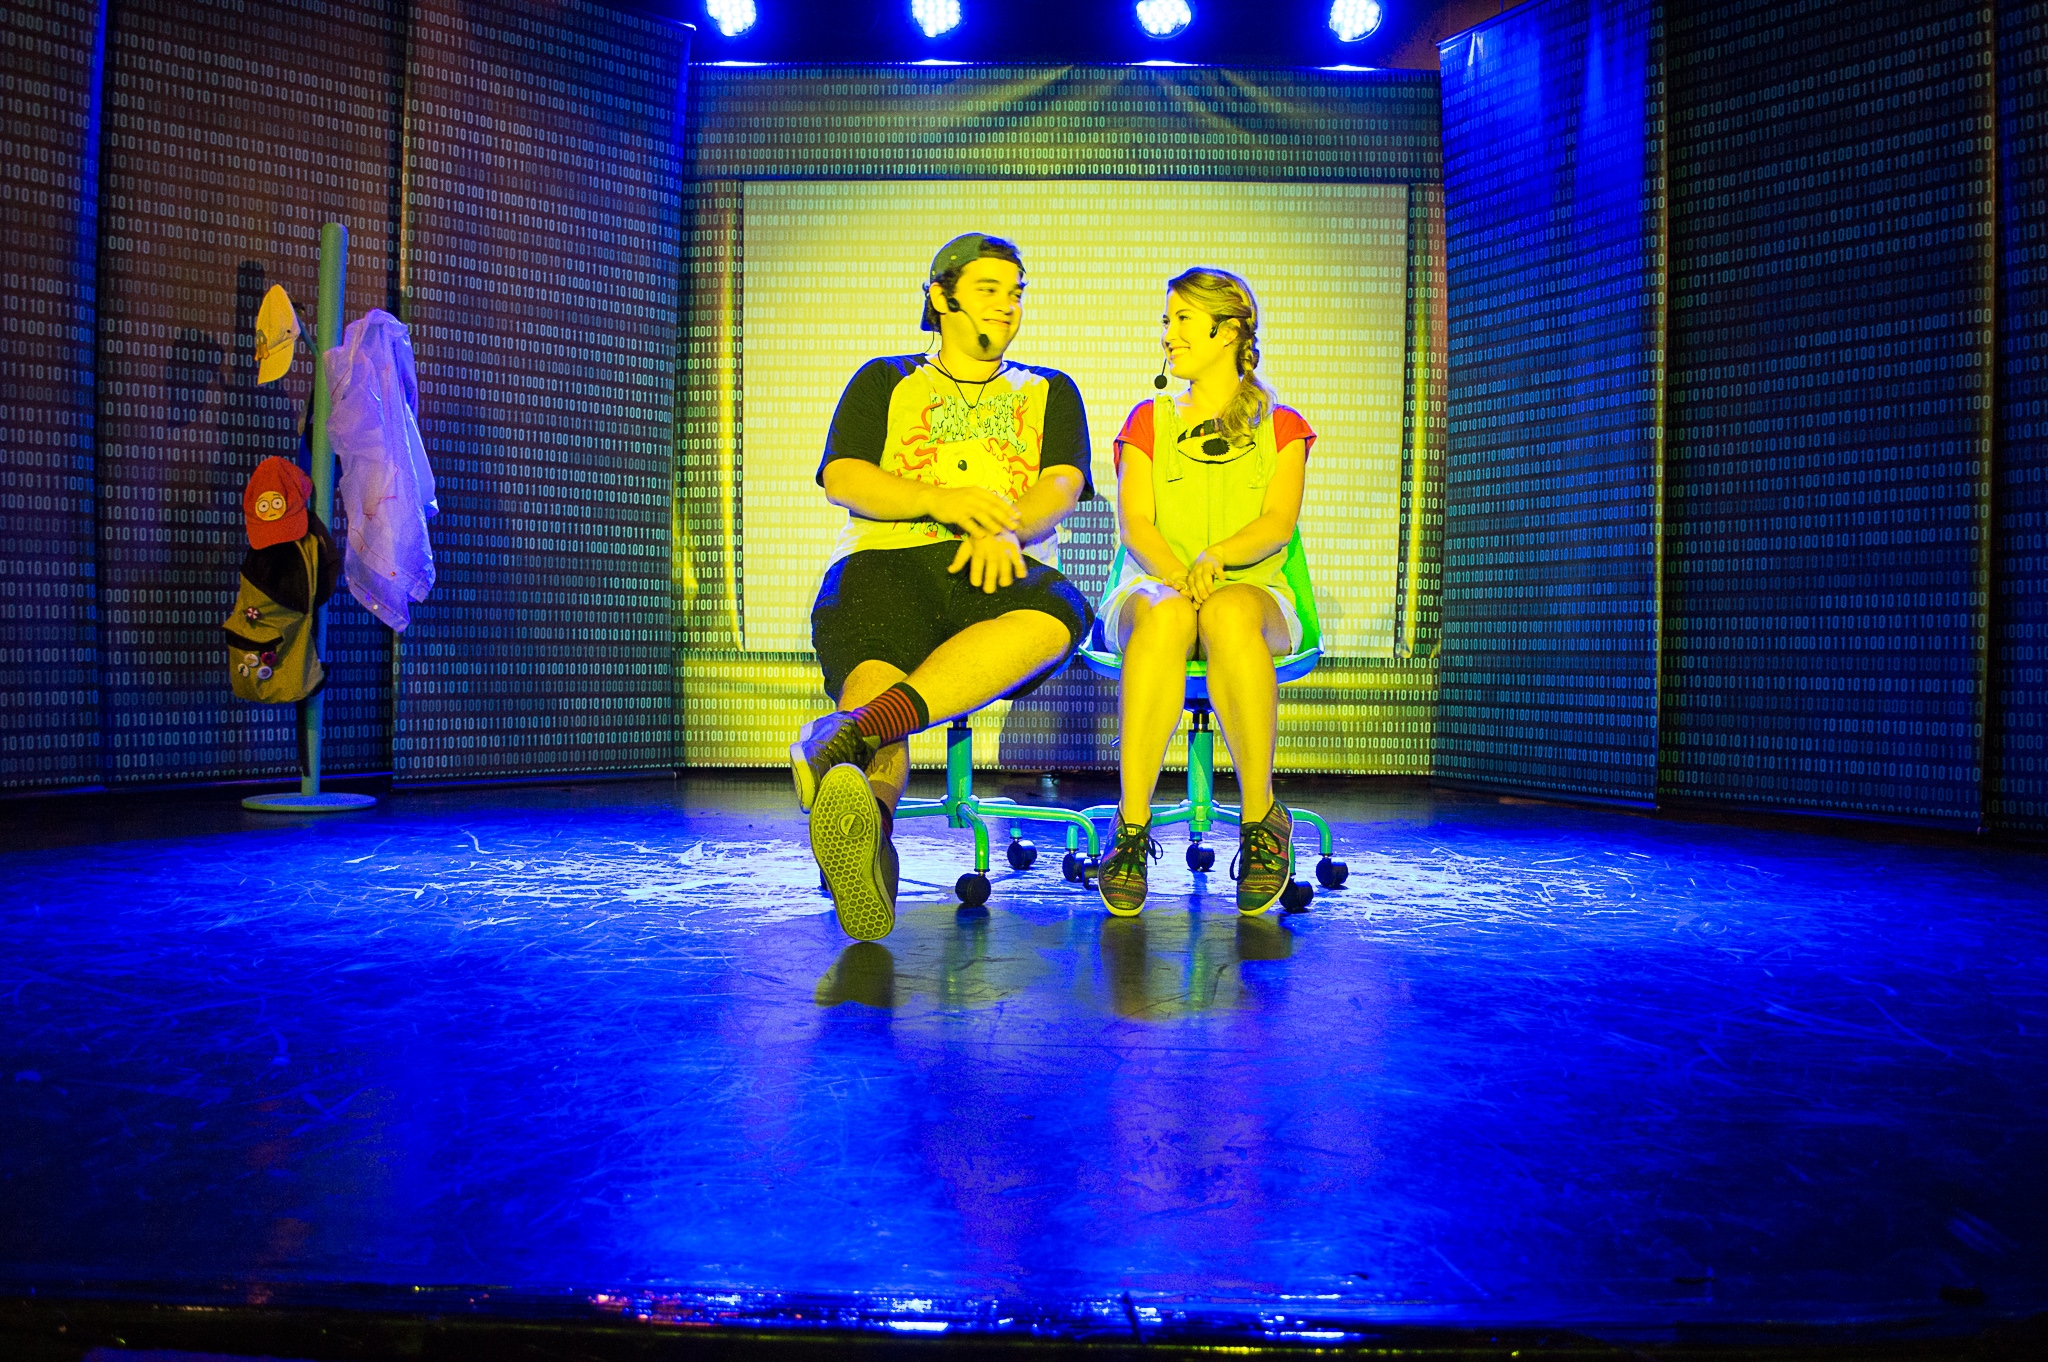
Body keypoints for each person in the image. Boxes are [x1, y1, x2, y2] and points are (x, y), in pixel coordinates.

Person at [791, 233, 1095, 942]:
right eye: (989, 288)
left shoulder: (1049, 389)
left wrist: (1004, 528)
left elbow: (1062, 482)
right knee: (878, 673)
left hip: (998, 569)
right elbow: (844, 477)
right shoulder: (886, 378)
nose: (1008, 304)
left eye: (1016, 292)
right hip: (885, 561)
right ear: (942, 296)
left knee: (1058, 612)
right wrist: (943, 499)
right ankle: (867, 837)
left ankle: (851, 737)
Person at [1095, 267, 1315, 918]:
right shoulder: (1148, 420)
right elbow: (1137, 525)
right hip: (1155, 585)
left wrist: (1215, 560)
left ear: (1227, 332)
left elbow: (1276, 524)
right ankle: (1131, 827)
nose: (1169, 334)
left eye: (1182, 320)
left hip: (1250, 589)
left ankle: (1261, 818)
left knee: (1227, 611)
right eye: (1168, 321)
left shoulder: (1283, 426)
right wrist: (1179, 574)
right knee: (1166, 616)